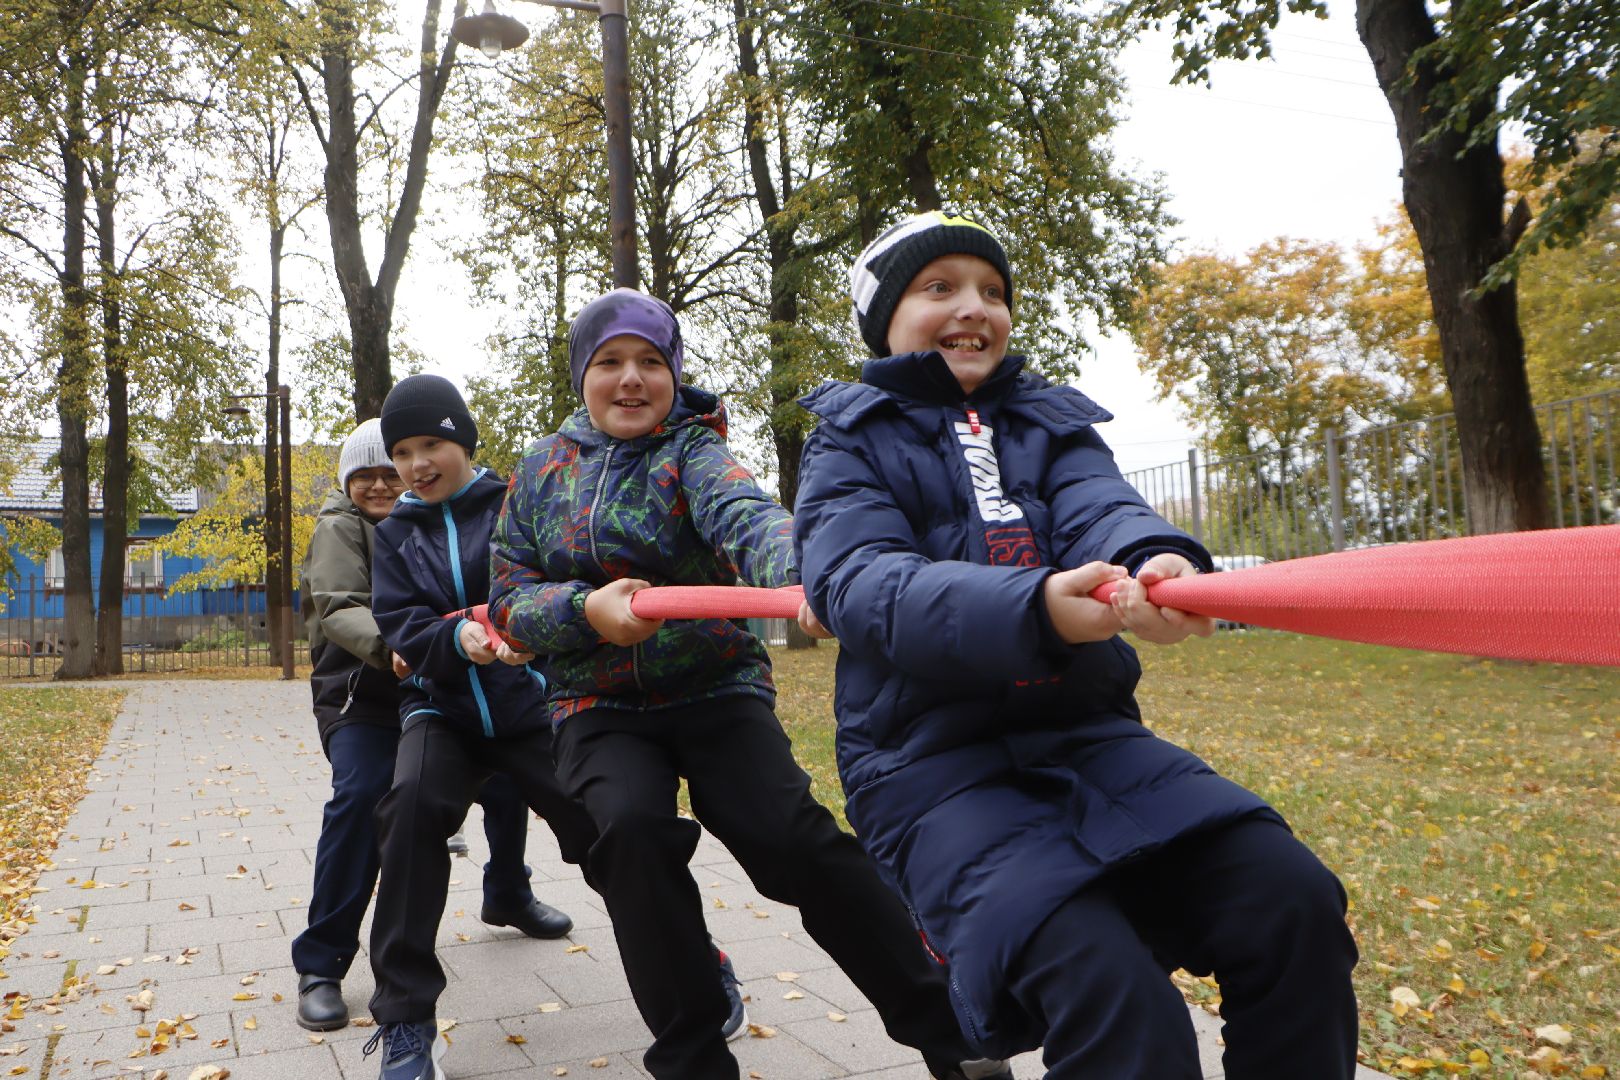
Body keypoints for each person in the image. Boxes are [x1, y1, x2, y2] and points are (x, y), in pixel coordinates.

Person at [791, 210, 1361, 1079]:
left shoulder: (1052, 424)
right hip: (930, 768)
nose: (973, 306)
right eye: (938, 287)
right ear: (886, 322)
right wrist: (1036, 611)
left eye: (992, 290)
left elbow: (1104, 508)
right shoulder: (848, 440)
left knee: (1291, 900)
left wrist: (1157, 564)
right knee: (1118, 999)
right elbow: (861, 582)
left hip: (1091, 739)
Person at [487, 288, 1014, 1080]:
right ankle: (695, 1059)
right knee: (629, 833)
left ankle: (952, 1030)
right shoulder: (539, 470)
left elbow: (750, 516)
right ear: (581, 375)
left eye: (651, 363)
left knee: (788, 838)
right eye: (610, 363)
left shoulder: (693, 452)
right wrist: (585, 610)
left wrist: (816, 581)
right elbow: (507, 599)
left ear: (673, 375)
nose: (632, 380)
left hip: (713, 687)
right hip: (596, 704)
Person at [292, 418, 571, 1034]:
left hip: (442, 682)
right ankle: (322, 962)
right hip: (365, 693)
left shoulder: (451, 516)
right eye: (364, 474)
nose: (379, 484)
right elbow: (340, 607)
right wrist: (396, 645)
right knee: (365, 796)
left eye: (391, 473)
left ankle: (507, 891)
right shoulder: (344, 528)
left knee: (501, 771)